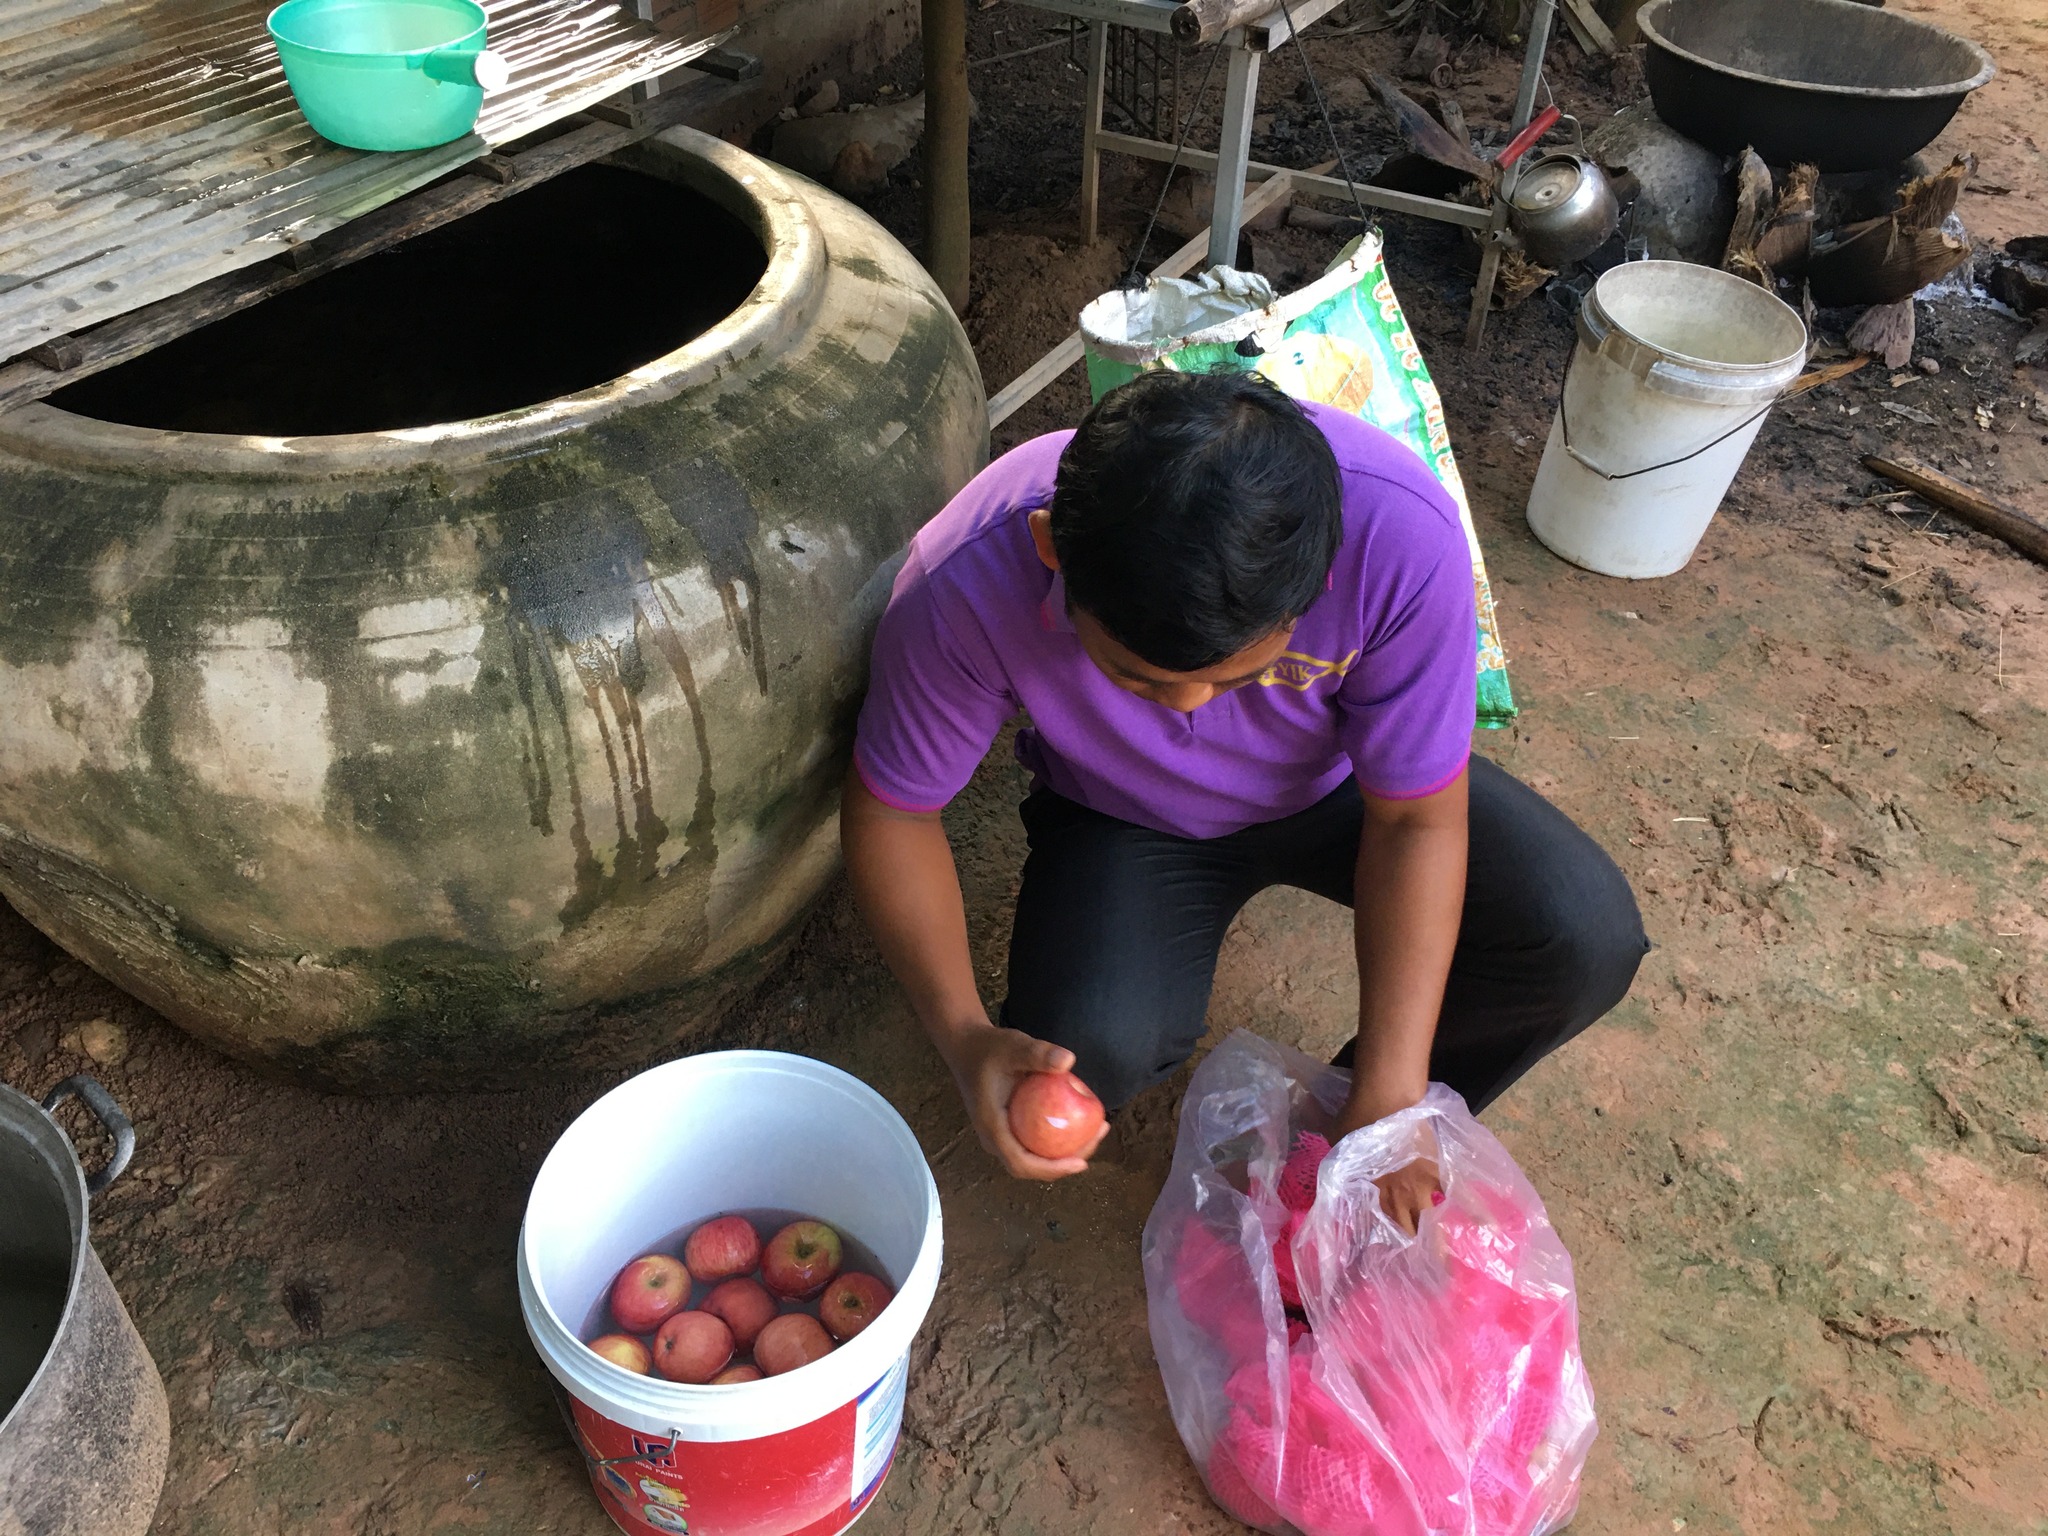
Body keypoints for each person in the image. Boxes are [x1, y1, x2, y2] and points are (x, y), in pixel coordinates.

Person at [841, 369, 1646, 1228]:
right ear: (1051, 550)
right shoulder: (967, 575)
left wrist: (1390, 1091)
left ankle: (1353, 1126)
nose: (1190, 710)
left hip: (1343, 785)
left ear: (1320, 581)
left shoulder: (1400, 536)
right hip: (1121, 811)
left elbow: (1414, 818)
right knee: (1086, 1051)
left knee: (1581, 937)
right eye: (1137, 678)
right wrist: (965, 1037)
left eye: (1244, 674)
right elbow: (893, 805)